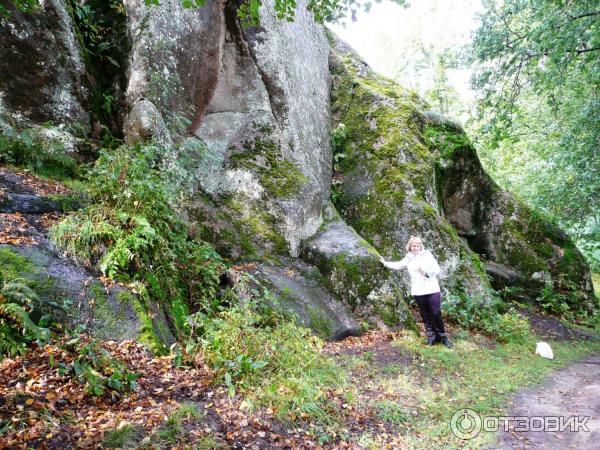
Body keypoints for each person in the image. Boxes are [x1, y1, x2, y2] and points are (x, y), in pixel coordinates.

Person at [380, 236, 452, 348]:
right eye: (414, 245)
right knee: (425, 314)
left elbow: (437, 269)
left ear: (421, 246)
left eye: (418, 245)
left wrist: (427, 273)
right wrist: (384, 263)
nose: (416, 247)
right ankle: (431, 338)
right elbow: (398, 265)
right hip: (418, 290)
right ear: (410, 246)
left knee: (436, 312)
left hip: (431, 287)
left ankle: (443, 337)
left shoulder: (427, 254)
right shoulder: (408, 257)